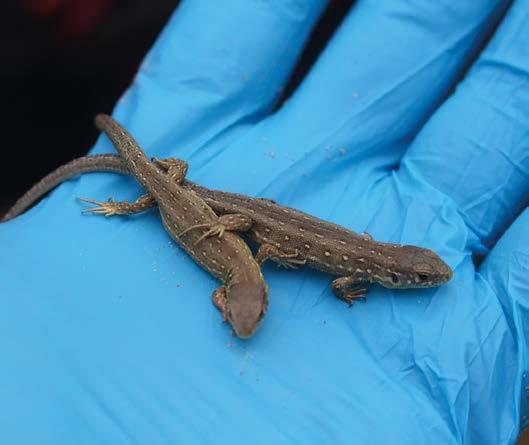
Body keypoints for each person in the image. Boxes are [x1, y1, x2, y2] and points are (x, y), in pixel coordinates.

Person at [1, 1, 527, 443]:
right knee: (182, 192)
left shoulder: (373, 255)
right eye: (424, 275)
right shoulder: (360, 272)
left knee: (178, 189)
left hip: (255, 216)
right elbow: (338, 283)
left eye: (425, 274)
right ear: (397, 275)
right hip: (256, 221)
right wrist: (345, 291)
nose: (431, 278)